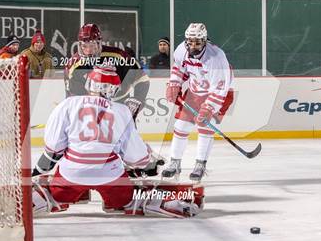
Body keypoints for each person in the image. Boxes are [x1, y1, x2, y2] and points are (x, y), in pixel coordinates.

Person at [31, 65, 203, 218]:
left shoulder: (67, 104)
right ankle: (158, 203)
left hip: (71, 174)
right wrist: (148, 161)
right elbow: (136, 158)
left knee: (55, 192)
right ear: (113, 89)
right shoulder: (121, 110)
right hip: (110, 175)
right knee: (128, 198)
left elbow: (54, 147)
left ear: (89, 84)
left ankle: (37, 200)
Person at [162, 23, 234, 182]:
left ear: (205, 41)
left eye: (197, 42)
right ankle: (175, 162)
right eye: (190, 41)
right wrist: (174, 84)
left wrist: (209, 107)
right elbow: (179, 69)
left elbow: (220, 88)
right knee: (181, 126)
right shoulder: (182, 49)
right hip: (195, 92)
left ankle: (200, 164)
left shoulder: (216, 57)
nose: (193, 45)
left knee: (204, 128)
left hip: (220, 94)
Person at [65, 23, 150, 121]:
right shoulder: (73, 65)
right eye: (84, 46)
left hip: (119, 105)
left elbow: (142, 78)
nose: (88, 50)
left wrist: (138, 98)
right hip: (90, 110)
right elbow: (72, 97)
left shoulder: (119, 56)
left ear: (99, 42)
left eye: (92, 45)